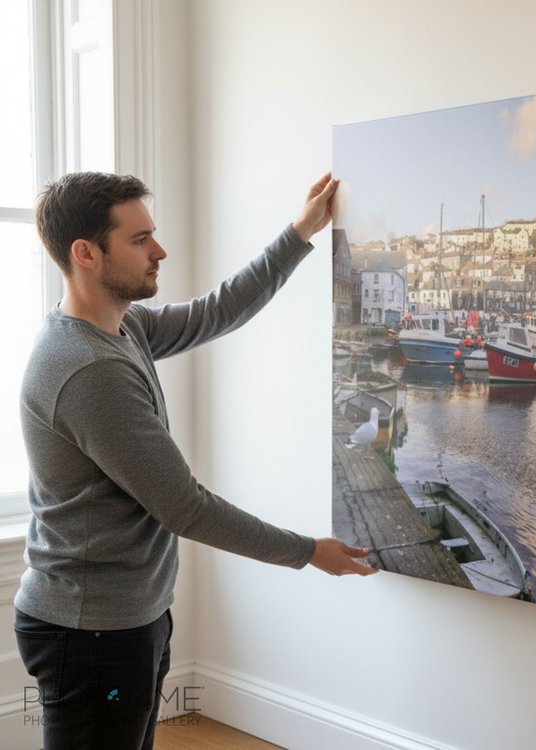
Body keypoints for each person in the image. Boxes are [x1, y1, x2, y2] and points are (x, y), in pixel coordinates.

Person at [14, 171, 377, 750]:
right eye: (139, 240)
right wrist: (309, 552)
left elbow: (217, 310)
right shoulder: (90, 370)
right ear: (85, 254)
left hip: (122, 618)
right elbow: (186, 507)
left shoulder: (121, 329)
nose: (159, 251)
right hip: (91, 632)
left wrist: (300, 232)